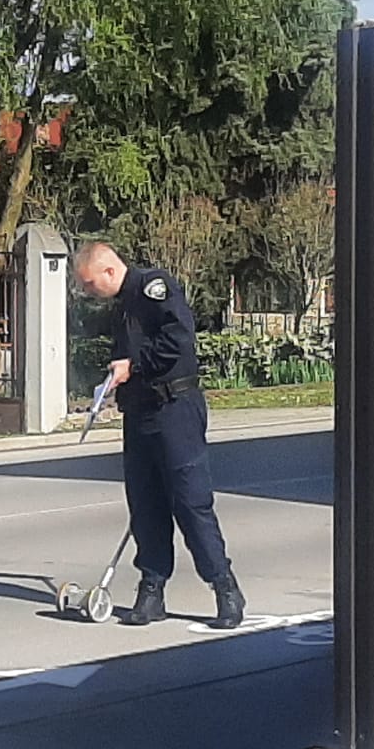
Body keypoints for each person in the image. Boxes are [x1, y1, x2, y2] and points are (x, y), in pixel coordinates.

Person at [72, 242, 245, 630]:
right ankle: (152, 590)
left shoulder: (155, 289)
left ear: (110, 272)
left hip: (175, 409)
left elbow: (178, 341)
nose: (88, 293)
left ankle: (224, 587)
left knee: (189, 501)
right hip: (140, 413)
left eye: (89, 284)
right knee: (145, 503)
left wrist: (133, 365)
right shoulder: (121, 308)